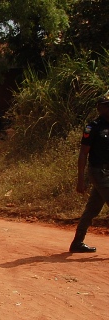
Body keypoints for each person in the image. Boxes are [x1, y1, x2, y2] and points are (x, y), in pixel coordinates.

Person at [69, 91, 109, 253]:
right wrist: (80, 180)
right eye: (107, 106)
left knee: (92, 209)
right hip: (98, 172)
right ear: (100, 108)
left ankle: (77, 243)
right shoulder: (93, 127)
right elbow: (83, 153)